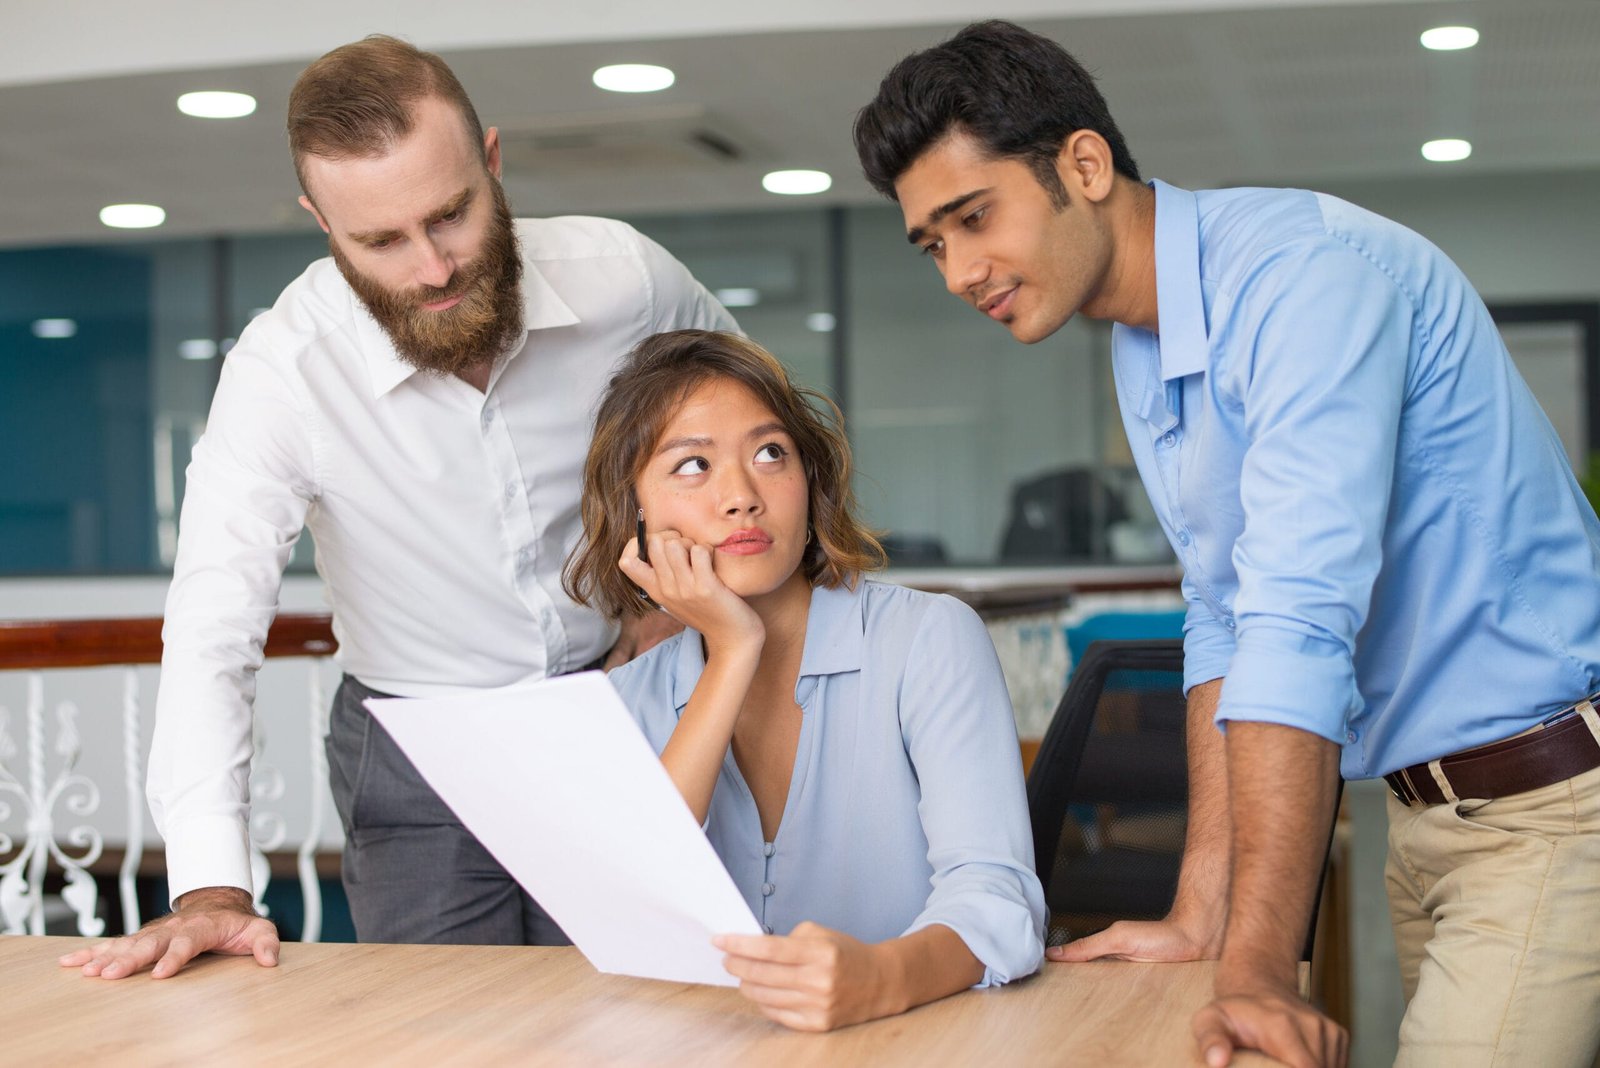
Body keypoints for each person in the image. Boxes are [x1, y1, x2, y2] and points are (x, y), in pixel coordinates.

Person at [853, 19, 1600, 1068]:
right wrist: (1203, 910)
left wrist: (1257, 966)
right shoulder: (1141, 334)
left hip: (1547, 806)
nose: (959, 272)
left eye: (974, 218)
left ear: (1084, 165)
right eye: (933, 244)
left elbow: (1297, 620)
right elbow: (1222, 609)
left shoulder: (1301, 279)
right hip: (1424, 813)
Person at [61, 36, 735, 981]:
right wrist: (212, 888)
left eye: (451, 214)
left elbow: (754, 438)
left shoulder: (625, 277)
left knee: (642, 1004)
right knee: (441, 1025)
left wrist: (674, 601)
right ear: (321, 222)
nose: (432, 269)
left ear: (491, 161)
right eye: (380, 241)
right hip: (415, 746)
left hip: (620, 707)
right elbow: (213, 627)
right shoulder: (284, 371)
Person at [562, 329, 1046, 1030]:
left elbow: (998, 898)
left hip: (920, 1039)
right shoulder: (627, 699)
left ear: (809, 479)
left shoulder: (927, 640)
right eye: (693, 465)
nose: (741, 497)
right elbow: (627, 920)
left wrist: (882, 978)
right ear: (635, 509)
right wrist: (733, 652)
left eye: (770, 454)